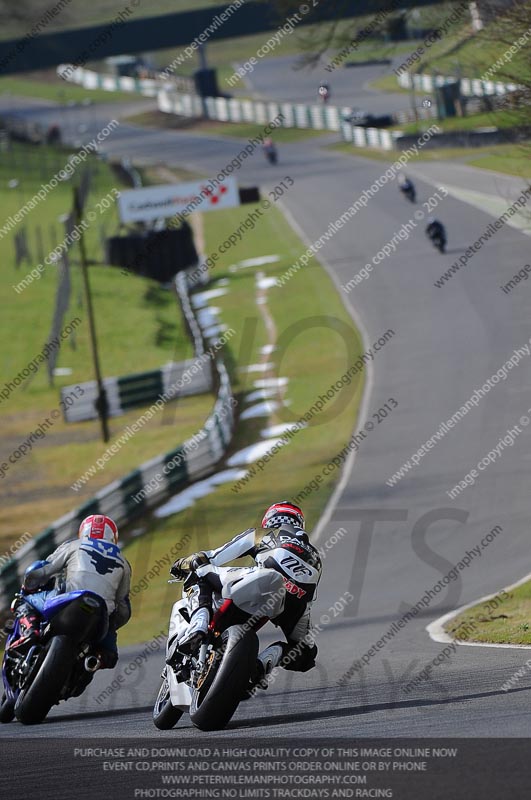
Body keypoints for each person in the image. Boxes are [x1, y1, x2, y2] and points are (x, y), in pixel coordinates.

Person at [170, 502, 322, 682]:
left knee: (200, 571)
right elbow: (311, 596)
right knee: (306, 654)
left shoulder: (263, 533)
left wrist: (183, 563)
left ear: (269, 520)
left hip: (263, 578)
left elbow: (214, 556)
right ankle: (261, 664)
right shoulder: (315, 556)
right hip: (296, 602)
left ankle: (198, 626)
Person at [12, 514, 131, 669]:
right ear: (113, 537)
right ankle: (96, 660)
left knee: (24, 601)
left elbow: (43, 569)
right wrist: (112, 625)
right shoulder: (123, 562)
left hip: (69, 601)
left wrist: (28, 586)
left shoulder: (74, 544)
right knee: (110, 655)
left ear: (83, 532)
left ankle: (31, 631)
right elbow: (123, 607)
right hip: (100, 617)